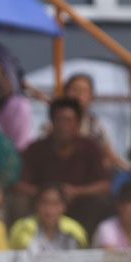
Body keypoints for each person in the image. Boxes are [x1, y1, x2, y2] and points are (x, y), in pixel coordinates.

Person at [15, 97, 110, 232]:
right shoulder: (36, 149)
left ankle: (89, 247)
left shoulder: (90, 148)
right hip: (42, 208)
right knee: (19, 201)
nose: (64, 126)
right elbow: (18, 184)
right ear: (52, 122)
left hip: (79, 205)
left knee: (101, 203)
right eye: (59, 120)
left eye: (69, 121)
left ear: (78, 123)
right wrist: (45, 195)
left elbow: (104, 185)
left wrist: (77, 192)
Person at [62, 73, 130, 172]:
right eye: (74, 90)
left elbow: (110, 156)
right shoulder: (54, 123)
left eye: (83, 91)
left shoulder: (94, 125)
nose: (78, 95)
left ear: (91, 97)